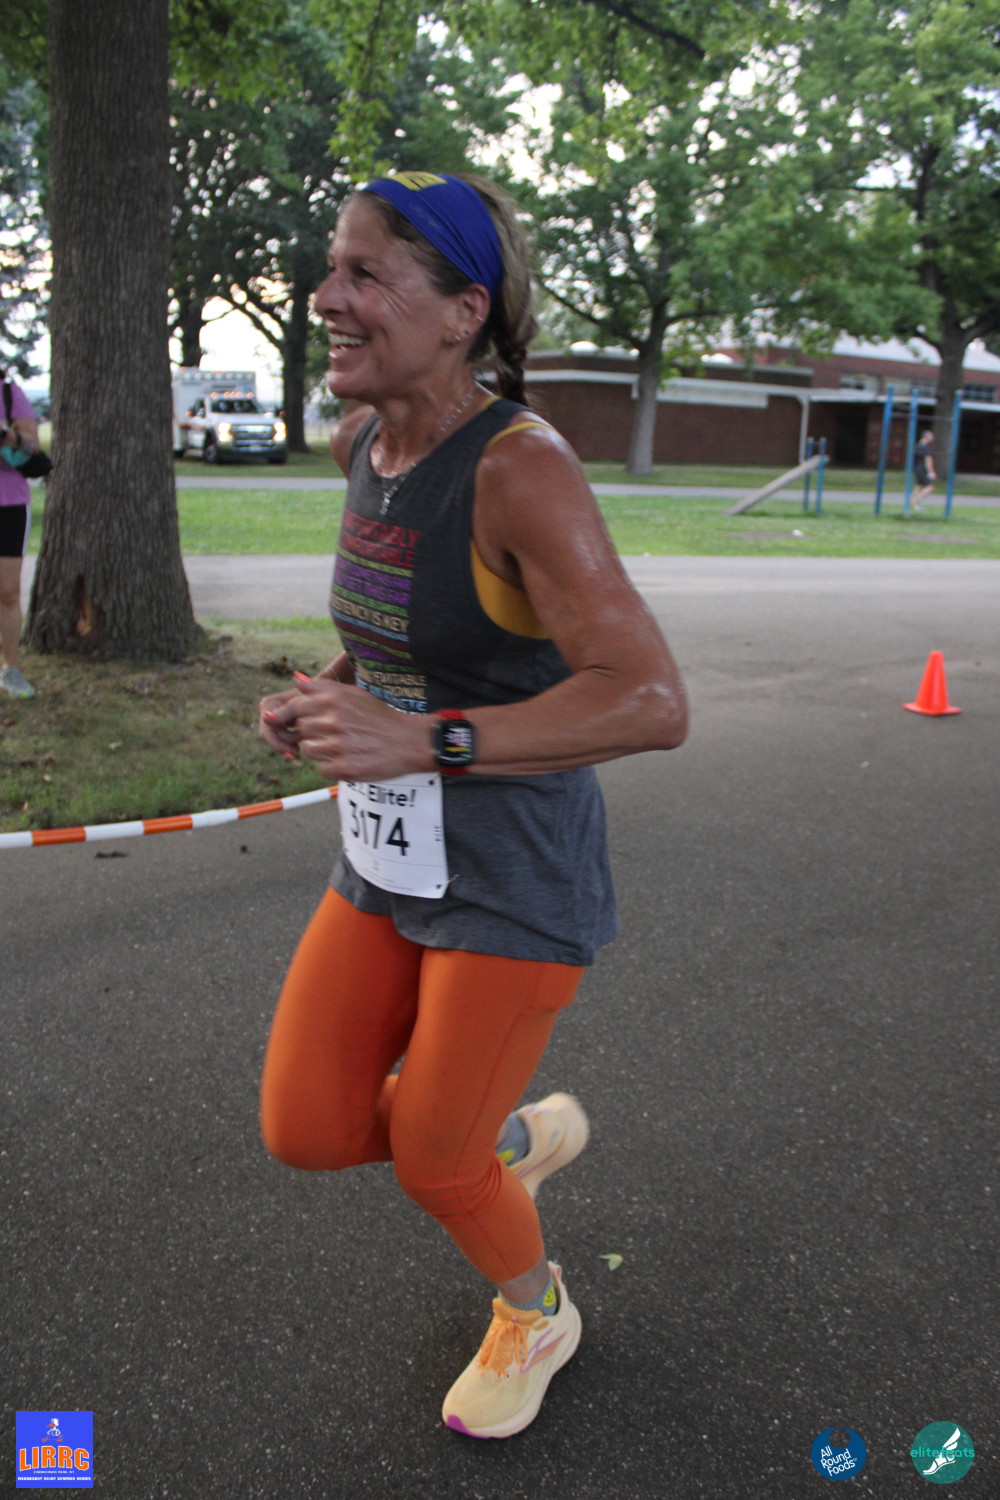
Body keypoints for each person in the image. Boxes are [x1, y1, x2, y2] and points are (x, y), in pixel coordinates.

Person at [257, 171, 688, 1439]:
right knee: (307, 1126)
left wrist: (420, 737)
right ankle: (498, 1137)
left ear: (462, 313)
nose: (325, 297)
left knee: (433, 1161)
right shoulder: (362, 444)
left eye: (365, 274)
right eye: (330, 266)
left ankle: (535, 1309)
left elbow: (650, 699)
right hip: (391, 858)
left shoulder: (520, 468)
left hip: (512, 875)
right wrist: (331, 693)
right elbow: (404, 632)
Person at [0, 371, 39, 698]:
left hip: (9, 503)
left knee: (8, 592)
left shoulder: (9, 393)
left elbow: (32, 446)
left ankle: (9, 669)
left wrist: (6, 435)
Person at [912, 427, 936, 510]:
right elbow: (928, 460)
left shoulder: (917, 446)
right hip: (922, 469)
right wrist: (931, 471)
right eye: (930, 436)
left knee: (918, 485)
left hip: (916, 468)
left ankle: (915, 505)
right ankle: (915, 500)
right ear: (926, 437)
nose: (932, 437)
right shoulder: (925, 448)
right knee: (930, 487)